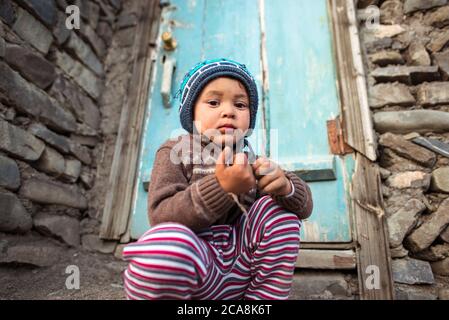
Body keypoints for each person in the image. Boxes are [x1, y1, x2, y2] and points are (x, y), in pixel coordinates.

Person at [123, 58, 313, 300]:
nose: (228, 111)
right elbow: (161, 216)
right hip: (196, 267)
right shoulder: (175, 150)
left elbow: (304, 209)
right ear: (191, 112)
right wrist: (222, 187)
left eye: (241, 105)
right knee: (161, 246)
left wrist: (286, 187)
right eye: (213, 102)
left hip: (240, 269)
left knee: (279, 212)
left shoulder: (251, 161)